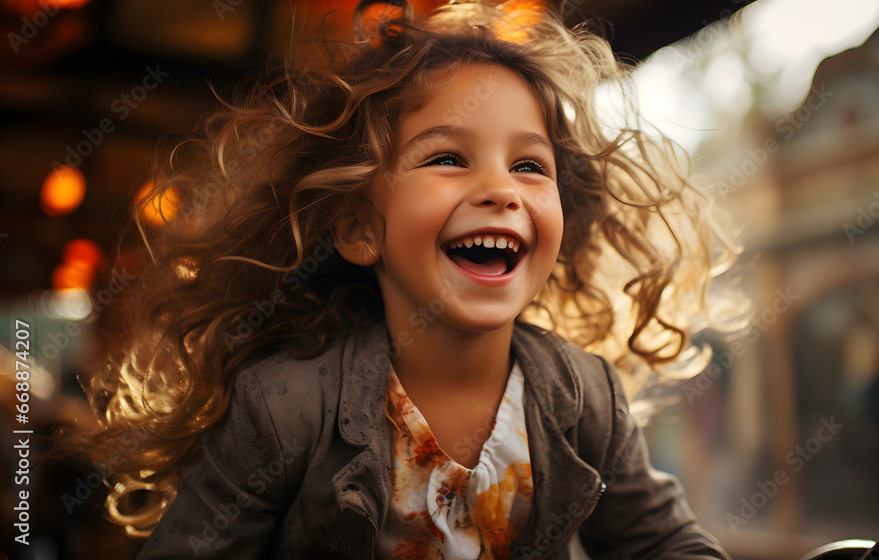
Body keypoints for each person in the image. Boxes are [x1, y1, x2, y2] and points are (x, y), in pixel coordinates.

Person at [73, 0, 737, 558]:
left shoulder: (584, 398)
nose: (501, 190)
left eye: (530, 167)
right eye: (448, 157)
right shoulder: (281, 407)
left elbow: (665, 543)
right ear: (362, 228)